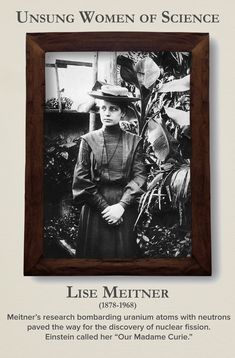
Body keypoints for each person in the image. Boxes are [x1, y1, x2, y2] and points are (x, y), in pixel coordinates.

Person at [72, 84, 146, 259]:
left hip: (123, 208)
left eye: (113, 109)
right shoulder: (88, 140)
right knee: (93, 261)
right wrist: (106, 209)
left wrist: (121, 206)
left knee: (123, 260)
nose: (106, 113)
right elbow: (81, 179)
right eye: (103, 108)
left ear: (123, 112)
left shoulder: (135, 141)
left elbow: (140, 175)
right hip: (95, 209)